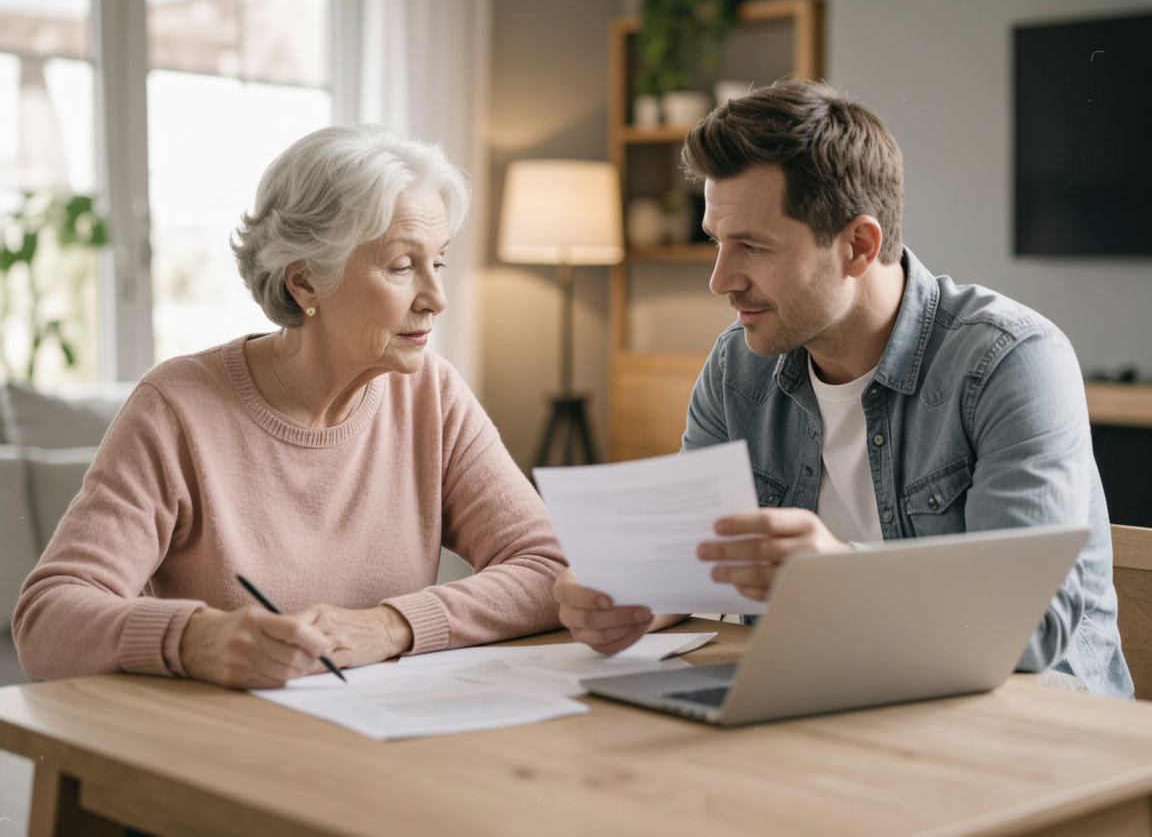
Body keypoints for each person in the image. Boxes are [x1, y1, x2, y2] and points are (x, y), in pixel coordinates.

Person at [555, 78, 1133, 699]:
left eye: (751, 246)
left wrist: (840, 575)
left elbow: (1029, 630)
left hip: (1028, 736)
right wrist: (630, 598)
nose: (721, 279)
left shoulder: (1010, 361)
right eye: (717, 243)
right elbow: (696, 565)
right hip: (833, 702)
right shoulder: (736, 369)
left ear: (859, 245)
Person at [15, 124, 566, 689]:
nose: (436, 298)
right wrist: (194, 638)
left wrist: (391, 625)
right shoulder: (176, 409)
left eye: (439, 262)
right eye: (402, 267)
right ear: (305, 282)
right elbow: (47, 619)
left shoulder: (432, 395)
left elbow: (549, 569)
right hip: (230, 752)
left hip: (386, 744)